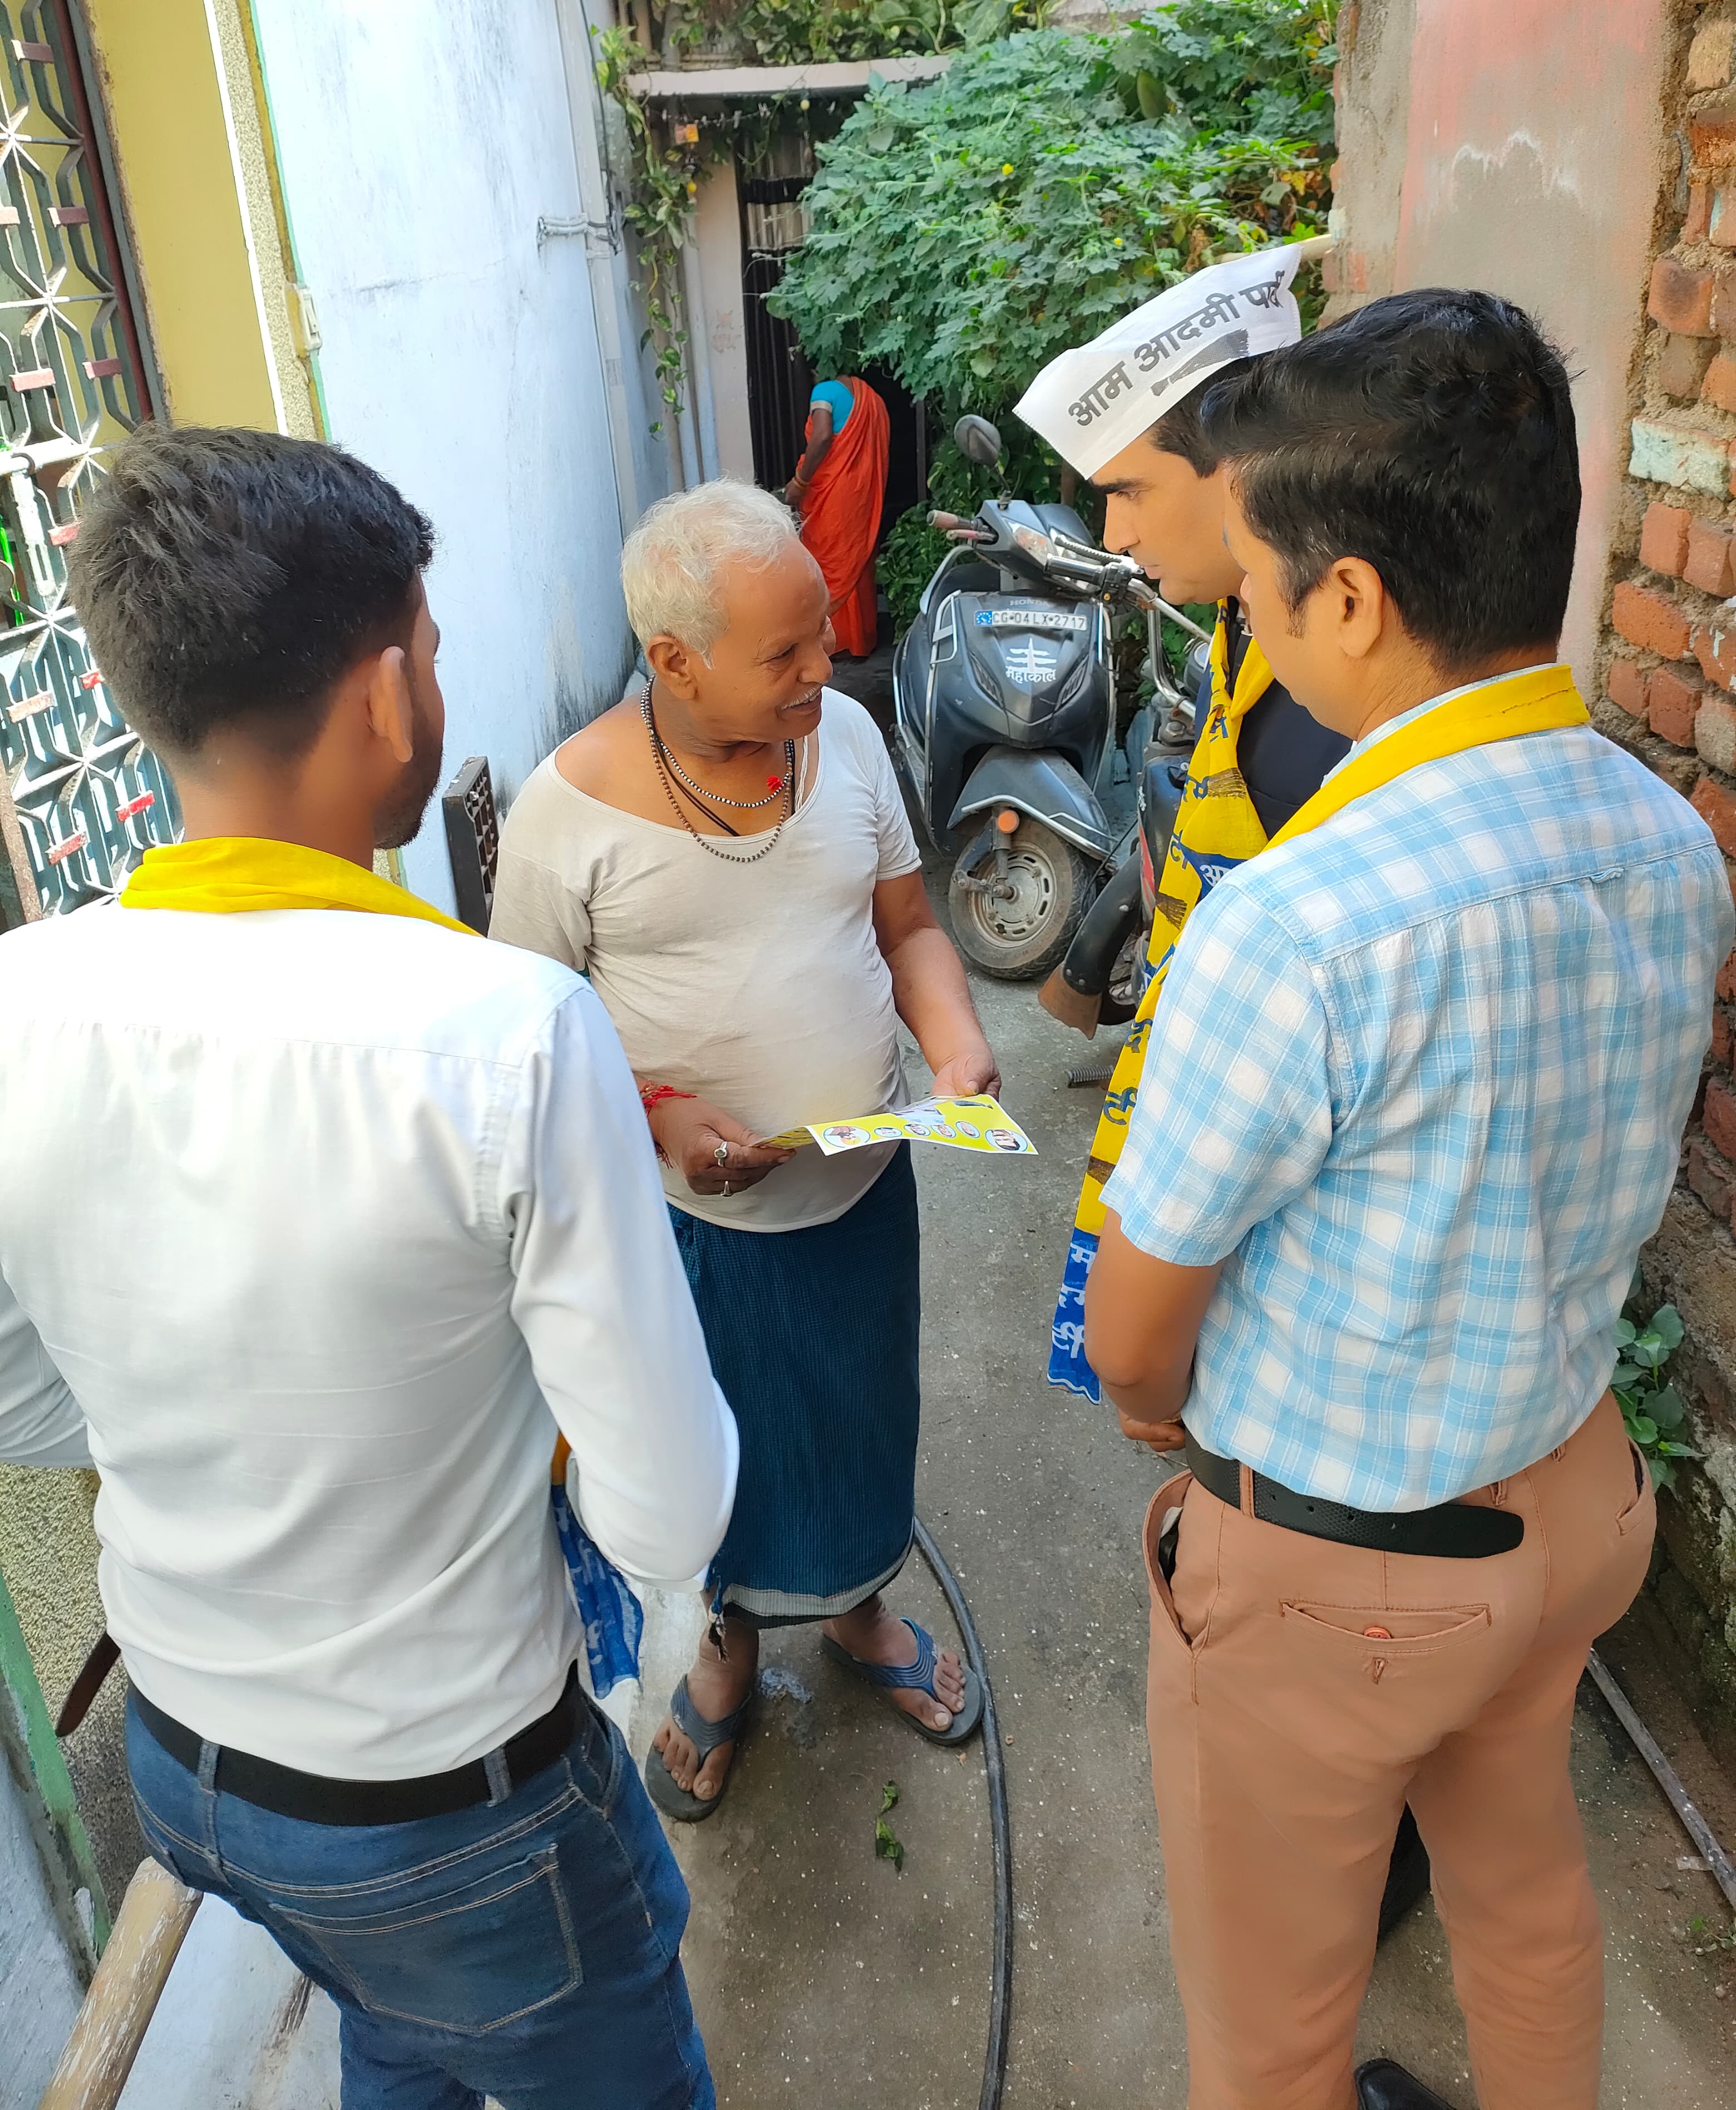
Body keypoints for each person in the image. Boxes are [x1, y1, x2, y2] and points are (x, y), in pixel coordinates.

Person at [0, 427, 736, 2110]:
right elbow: (667, 1504)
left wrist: (205, 1413)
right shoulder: (504, 1037)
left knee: (397, 2030)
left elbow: (23, 1384)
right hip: (446, 1796)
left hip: (194, 1771)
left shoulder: (18, 1001)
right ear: (390, 690)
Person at [1083, 292, 1734, 2110]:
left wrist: (1155, 1419)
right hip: (1565, 1516)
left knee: (1270, 2034)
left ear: (1351, 598)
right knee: (1525, 1895)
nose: (1253, 624)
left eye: (1259, 589)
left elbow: (1140, 1326)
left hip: (1347, 1580)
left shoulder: (1298, 921)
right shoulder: (1668, 836)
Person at [1015, 247, 1429, 1934]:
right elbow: (1185, 851)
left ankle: (1346, 1852)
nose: (1113, 538)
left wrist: (1153, 1340)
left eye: (1128, 494)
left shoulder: (1330, 724)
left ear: (1235, 472)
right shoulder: (1253, 668)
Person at [489, 477, 999, 1819]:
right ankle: (725, 1646)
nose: (822, 671)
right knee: (709, 1442)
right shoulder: (565, 815)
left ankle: (856, 1611)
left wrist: (947, 1041)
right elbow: (525, 1036)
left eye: (821, 636)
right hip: (688, 1226)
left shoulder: (844, 740)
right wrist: (657, 1116)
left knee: (860, 1408)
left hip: (862, 1187)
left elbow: (909, 929)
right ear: (673, 660)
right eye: (785, 653)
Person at [782, 372, 890, 657]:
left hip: (833, 494)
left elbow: (821, 437)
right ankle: (860, 640)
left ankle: (835, 641)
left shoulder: (825, 391)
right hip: (860, 491)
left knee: (830, 557)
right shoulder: (874, 401)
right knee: (856, 556)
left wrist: (800, 482)